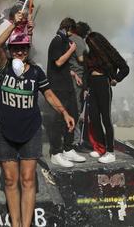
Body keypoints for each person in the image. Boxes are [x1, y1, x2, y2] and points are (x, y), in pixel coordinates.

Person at [0, 12, 75, 227]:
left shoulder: (37, 72)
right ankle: (16, 224)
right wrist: (14, 23)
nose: (20, 51)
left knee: (28, 180)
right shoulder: (3, 69)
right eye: (16, 48)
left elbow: (48, 94)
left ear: (29, 50)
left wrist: (65, 112)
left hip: (31, 131)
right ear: (10, 51)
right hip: (5, 132)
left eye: (24, 48)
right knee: (11, 181)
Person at [83, 32, 129, 163]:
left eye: (92, 44)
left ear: (98, 43)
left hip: (104, 84)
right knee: (94, 118)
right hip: (92, 86)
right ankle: (101, 148)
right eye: (89, 45)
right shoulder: (89, 55)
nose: (90, 46)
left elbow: (125, 68)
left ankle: (110, 151)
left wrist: (116, 79)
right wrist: (85, 88)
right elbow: (86, 73)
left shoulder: (110, 53)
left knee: (106, 118)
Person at [46, 18, 85, 167]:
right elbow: (58, 62)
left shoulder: (63, 41)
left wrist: (74, 74)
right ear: (67, 28)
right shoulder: (56, 40)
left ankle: (68, 148)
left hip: (67, 85)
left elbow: (63, 66)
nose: (71, 36)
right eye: (71, 32)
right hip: (58, 87)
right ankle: (56, 152)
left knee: (74, 114)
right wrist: (71, 50)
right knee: (58, 120)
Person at [68, 21, 88, 148]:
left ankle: (68, 138)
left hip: (68, 76)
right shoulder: (79, 40)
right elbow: (81, 59)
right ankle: (75, 140)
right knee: (76, 109)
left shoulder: (67, 38)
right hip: (78, 79)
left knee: (68, 107)